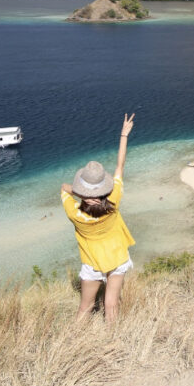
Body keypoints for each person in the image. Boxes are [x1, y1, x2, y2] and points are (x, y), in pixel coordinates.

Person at [61, 113, 136, 322]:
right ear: (104, 188)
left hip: (92, 264)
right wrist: (124, 135)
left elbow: (64, 189)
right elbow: (120, 167)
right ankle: (113, 340)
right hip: (118, 258)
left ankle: (75, 345)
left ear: (83, 189)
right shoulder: (114, 200)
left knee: (86, 306)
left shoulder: (74, 213)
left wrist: (82, 195)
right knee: (111, 303)